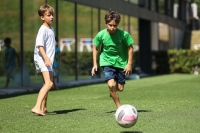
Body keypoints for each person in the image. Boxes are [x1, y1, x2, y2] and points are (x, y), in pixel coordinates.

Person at [91, 10, 134, 109]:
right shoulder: (101, 35)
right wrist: (95, 64)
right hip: (107, 62)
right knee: (111, 85)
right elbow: (95, 48)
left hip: (121, 62)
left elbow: (130, 48)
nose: (112, 28)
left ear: (118, 24)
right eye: (110, 25)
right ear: (105, 23)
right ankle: (119, 108)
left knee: (120, 88)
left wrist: (129, 64)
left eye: (115, 25)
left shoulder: (124, 35)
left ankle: (113, 91)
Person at [31, 4, 55, 116]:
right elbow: (39, 46)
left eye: (52, 15)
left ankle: (44, 108)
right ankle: (36, 106)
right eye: (48, 15)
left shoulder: (51, 29)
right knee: (49, 83)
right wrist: (46, 59)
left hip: (48, 61)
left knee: (48, 83)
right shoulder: (43, 30)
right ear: (42, 17)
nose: (51, 17)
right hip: (43, 59)